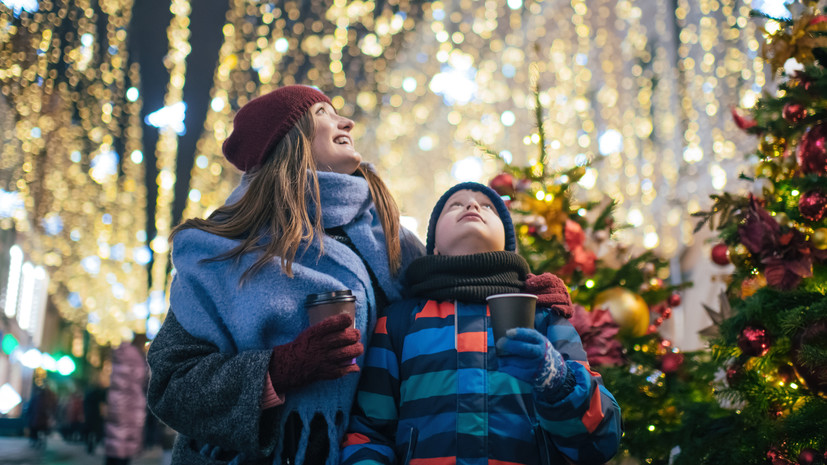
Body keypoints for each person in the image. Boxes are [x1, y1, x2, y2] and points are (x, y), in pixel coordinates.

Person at [146, 85, 426, 465]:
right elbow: (172, 385)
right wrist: (277, 371)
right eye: (323, 113)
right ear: (288, 140)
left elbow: (448, 296)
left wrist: (514, 287)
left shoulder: (390, 236)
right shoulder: (224, 251)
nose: (346, 121)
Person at [341, 182, 623, 465]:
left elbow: (599, 441)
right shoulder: (398, 321)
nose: (472, 206)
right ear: (434, 247)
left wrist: (557, 381)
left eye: (488, 206)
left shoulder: (544, 316)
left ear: (506, 244)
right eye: (455, 205)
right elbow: (371, 433)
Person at [103, 337, 148, 465]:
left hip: (117, 405)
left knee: (114, 446)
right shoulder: (135, 358)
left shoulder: (121, 355)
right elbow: (142, 379)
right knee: (123, 449)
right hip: (129, 408)